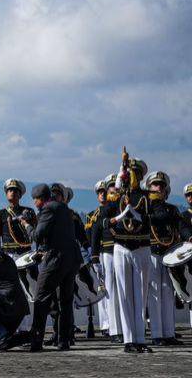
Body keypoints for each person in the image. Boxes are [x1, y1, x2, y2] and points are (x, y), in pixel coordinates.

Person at [24, 182, 81, 352]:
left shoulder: (47, 209)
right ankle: (64, 341)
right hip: (72, 259)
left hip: (56, 259)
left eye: (35, 200)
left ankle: (36, 340)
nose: (35, 204)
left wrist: (27, 225)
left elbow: (39, 235)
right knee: (66, 301)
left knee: (41, 298)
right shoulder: (65, 209)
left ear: (39, 199)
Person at [108, 151, 153, 353]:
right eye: (128, 173)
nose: (130, 176)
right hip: (122, 247)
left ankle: (140, 338)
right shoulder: (116, 196)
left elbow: (149, 218)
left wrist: (132, 212)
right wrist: (120, 172)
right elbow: (106, 215)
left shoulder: (145, 197)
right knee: (125, 294)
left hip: (141, 246)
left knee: (140, 294)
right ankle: (128, 339)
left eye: (133, 173)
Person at [144, 171, 186, 346]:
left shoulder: (172, 209)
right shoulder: (146, 208)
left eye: (161, 185)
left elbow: (181, 226)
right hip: (152, 252)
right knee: (154, 294)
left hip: (169, 254)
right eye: (155, 184)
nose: (158, 187)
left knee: (167, 293)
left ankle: (168, 333)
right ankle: (156, 334)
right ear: (149, 187)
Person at [0, 178, 36, 330]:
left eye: (15, 191)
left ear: (20, 195)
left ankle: (25, 328)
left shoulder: (28, 212)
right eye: (10, 190)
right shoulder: (0, 214)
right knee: (7, 293)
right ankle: (8, 328)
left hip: (25, 255)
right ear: (6, 194)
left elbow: (34, 233)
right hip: (8, 256)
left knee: (27, 291)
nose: (12, 193)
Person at [86, 178, 120, 342]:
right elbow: (91, 237)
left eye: (104, 192)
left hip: (119, 249)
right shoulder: (94, 215)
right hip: (104, 252)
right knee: (105, 290)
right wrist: (94, 256)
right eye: (100, 192)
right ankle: (108, 325)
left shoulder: (117, 209)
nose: (103, 195)